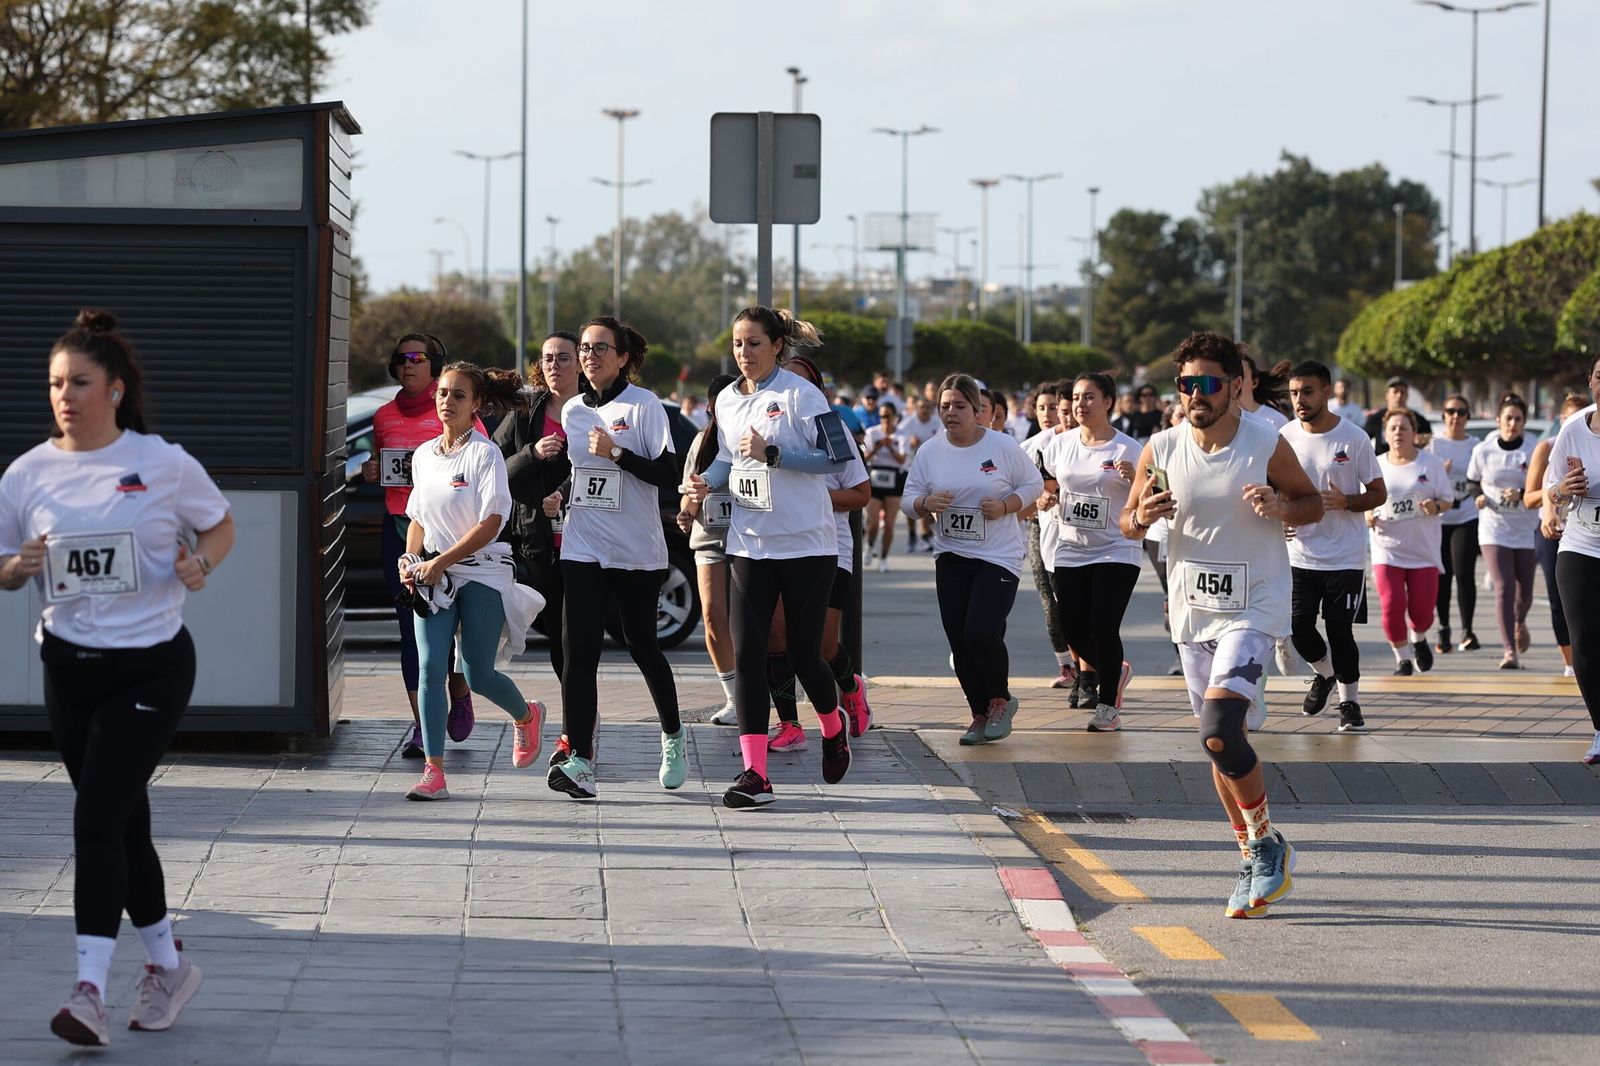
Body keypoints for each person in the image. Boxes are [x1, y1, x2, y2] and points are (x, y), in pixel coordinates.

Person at [1, 309, 236, 1044]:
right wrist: (17, 567)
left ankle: (88, 992)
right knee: (123, 822)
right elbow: (3, 566)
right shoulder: (26, 473)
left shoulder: (160, 462)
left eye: (79, 382)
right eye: (55, 384)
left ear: (114, 389)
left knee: (96, 819)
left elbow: (220, 524)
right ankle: (169, 965)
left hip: (151, 665)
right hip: (68, 668)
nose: (64, 396)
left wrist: (201, 562)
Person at [1121, 331, 1322, 920]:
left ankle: (1265, 847)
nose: (1195, 394)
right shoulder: (1161, 447)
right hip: (1193, 611)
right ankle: (1254, 852)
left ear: (1236, 386)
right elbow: (1128, 520)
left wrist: (1282, 507)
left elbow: (1310, 503)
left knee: (1217, 731)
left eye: (1208, 383)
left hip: (1254, 606)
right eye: (1186, 384)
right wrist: (1141, 515)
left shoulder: (1266, 443)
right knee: (1220, 748)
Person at [686, 306, 854, 809]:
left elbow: (837, 457)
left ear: (777, 346)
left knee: (804, 654)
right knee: (750, 654)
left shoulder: (802, 395)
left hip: (807, 544)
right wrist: (704, 483)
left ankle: (833, 725)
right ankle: (755, 773)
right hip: (749, 544)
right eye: (738, 344)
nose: (744, 353)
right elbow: (726, 459)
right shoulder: (727, 399)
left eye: (754, 343)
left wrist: (774, 455)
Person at [542, 317, 685, 798]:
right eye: (585, 348)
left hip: (636, 550)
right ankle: (580, 757)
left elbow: (668, 473)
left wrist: (618, 453)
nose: (590, 356)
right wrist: (561, 492)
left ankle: (673, 735)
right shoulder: (574, 410)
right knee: (578, 651)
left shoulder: (644, 406)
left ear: (623, 357)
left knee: (642, 645)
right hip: (583, 545)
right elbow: (582, 472)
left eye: (601, 348)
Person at [400, 362, 546, 801]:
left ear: (476, 403)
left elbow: (492, 522)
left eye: (459, 395)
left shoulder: (485, 455)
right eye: (443, 393)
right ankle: (434, 772)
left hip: (481, 571)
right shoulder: (424, 456)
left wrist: (442, 561)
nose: (447, 401)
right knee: (430, 670)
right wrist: (411, 559)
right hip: (434, 576)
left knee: (476, 674)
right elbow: (417, 519)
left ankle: (526, 716)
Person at [903, 374, 1043, 746]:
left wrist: (1006, 506)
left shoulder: (1001, 445)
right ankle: (979, 714)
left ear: (977, 408)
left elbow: (1033, 484)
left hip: (998, 556)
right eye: (944, 406)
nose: (951, 412)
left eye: (959, 406)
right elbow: (908, 499)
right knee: (959, 640)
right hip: (951, 554)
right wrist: (925, 503)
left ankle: (1000, 700)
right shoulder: (930, 451)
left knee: (979, 631)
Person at [362, 333, 480, 758]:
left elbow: (480, 466)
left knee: (450, 633)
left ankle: (460, 691)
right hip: (400, 530)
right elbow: (383, 466)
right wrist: (372, 470)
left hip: (449, 538)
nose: (408, 364)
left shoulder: (453, 408)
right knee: (412, 632)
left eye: (417, 357)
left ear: (435, 364)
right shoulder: (382, 416)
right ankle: (421, 724)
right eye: (401, 358)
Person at [765, 354, 874, 751]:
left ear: (815, 390)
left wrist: (811, 499)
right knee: (775, 633)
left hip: (828, 546)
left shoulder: (832, 427)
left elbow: (861, 494)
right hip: (777, 543)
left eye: (799, 382)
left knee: (821, 646)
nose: (789, 389)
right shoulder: (763, 424)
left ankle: (851, 687)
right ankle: (789, 724)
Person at [1282, 360, 1386, 732]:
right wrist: (1281, 515)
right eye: (1294, 393)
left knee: (1340, 631)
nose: (1300, 400)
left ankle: (1350, 703)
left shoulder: (1354, 437)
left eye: (1307, 392)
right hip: (1299, 553)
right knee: (1297, 626)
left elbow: (1378, 493)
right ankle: (1325, 673)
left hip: (1344, 555)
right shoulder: (1284, 437)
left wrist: (1348, 502)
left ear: (1327, 392)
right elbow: (1275, 487)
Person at [1041, 372, 1142, 732]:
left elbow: (1153, 492)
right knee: (1071, 627)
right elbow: (1047, 483)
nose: (1080, 405)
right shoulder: (1060, 444)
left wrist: (1135, 478)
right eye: (1076, 398)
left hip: (1117, 547)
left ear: (1108, 402)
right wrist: (1046, 497)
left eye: (1089, 397)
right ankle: (1115, 668)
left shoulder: (1128, 448)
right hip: (1071, 548)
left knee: (1102, 625)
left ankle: (1107, 706)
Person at [492, 331, 582, 685]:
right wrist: (532, 453)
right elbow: (495, 468)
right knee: (558, 634)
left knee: (579, 632)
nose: (554, 365)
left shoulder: (597, 410)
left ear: (580, 363)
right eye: (548, 358)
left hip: (588, 539)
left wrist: (562, 494)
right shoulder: (525, 413)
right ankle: (578, 709)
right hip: (539, 543)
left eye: (563, 357)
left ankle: (582, 708)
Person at [1540, 356, 1600, 763]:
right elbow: (1551, 490)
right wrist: (1562, 490)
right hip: (1581, 543)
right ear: (1591, 382)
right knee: (1585, 640)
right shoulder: (1574, 428)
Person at [1368, 410, 1454, 675]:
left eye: (1403, 428)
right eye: (1392, 428)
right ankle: (1402, 658)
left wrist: (1434, 506)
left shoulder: (1431, 464)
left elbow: (1447, 500)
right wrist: (1367, 514)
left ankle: (1418, 637)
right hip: (1387, 549)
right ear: (1385, 434)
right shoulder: (1375, 465)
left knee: (1422, 612)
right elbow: (1364, 501)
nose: (1398, 433)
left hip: (1422, 550)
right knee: (1392, 604)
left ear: (1414, 433)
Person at [681, 374, 742, 726]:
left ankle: (758, 691)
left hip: (750, 541)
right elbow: (688, 491)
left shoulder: (751, 440)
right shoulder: (702, 441)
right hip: (709, 539)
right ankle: (733, 698)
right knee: (712, 616)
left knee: (752, 622)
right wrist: (687, 513)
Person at [1467, 394, 1539, 669]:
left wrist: (1521, 492)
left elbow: (1541, 484)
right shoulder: (1484, 450)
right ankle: (1509, 651)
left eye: (1518, 419)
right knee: (1504, 586)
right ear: (1498, 420)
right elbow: (1472, 481)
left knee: (1525, 592)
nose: (1512, 424)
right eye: (1508, 418)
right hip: (1493, 528)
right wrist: (1479, 496)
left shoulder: (1532, 450)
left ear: (1524, 422)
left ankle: (1519, 622)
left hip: (1525, 526)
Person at [1525, 394, 1590, 677]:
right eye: (1568, 418)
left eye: (1579, 416)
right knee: (1560, 599)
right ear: (1561, 420)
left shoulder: (1589, 441)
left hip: (1587, 531)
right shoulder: (1550, 446)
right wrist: (1552, 507)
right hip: (1555, 533)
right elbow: (1533, 496)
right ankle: (1570, 663)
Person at [1019, 382, 1078, 689]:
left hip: (1079, 533)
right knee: (1050, 603)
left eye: (1054, 408)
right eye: (1041, 408)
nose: (1049, 414)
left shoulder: (1083, 441)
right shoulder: (1033, 445)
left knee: (1076, 606)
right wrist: (1037, 499)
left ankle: (1095, 667)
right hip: (1042, 528)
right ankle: (1068, 666)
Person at [1427, 396, 1482, 653]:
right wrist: (1440, 472)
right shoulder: (1434, 444)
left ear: (1468, 416)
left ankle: (1467, 631)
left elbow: (1482, 476)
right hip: (1439, 517)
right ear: (1444, 415)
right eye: (1451, 411)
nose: (1456, 416)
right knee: (1443, 574)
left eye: (1461, 412)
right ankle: (1444, 628)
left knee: (1464, 572)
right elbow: (1421, 478)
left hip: (1466, 514)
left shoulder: (1475, 445)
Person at [863, 400, 910, 570]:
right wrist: (876, 448)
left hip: (894, 478)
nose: (885, 420)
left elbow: (903, 459)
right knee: (874, 523)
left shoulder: (902, 435)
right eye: (882, 416)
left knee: (889, 525)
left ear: (894, 417)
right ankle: (869, 546)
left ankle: (883, 557)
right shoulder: (872, 432)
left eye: (888, 416)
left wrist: (890, 448)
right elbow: (864, 457)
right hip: (876, 477)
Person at [901, 393, 944, 552]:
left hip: (931, 468)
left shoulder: (937, 423)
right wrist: (910, 443)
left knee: (929, 500)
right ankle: (912, 533)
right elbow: (899, 444)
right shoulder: (907, 424)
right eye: (921, 407)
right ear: (916, 409)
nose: (924, 410)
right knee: (912, 501)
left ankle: (927, 534)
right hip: (910, 467)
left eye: (927, 407)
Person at [1364, 378, 1433, 455]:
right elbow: (1363, 442)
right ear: (1387, 395)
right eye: (1395, 392)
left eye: (1402, 392)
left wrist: (1420, 443)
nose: (1399, 395)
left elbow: (1430, 444)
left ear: (1407, 396)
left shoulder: (1419, 420)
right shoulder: (1375, 419)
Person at [1238, 351, 1291, 429]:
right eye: (1231, 376)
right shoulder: (1221, 420)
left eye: (1242, 376)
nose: (1236, 381)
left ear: (1254, 382)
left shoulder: (1276, 420)